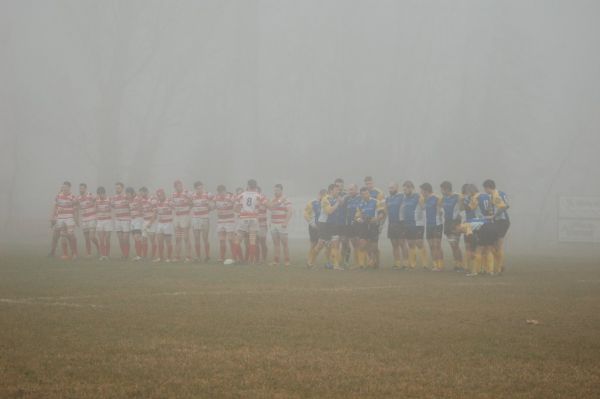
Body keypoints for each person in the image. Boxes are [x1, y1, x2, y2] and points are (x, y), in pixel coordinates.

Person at [308, 184, 344, 270]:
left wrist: (340, 202)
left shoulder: (336, 199)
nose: (338, 191)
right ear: (331, 190)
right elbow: (329, 211)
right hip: (324, 225)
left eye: (338, 190)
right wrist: (338, 203)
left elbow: (340, 207)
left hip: (333, 224)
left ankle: (336, 265)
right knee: (320, 245)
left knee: (335, 244)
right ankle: (310, 262)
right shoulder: (325, 199)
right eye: (336, 190)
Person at [235, 179, 267, 264]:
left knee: (237, 240)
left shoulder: (241, 195)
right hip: (253, 218)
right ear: (256, 186)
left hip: (243, 219)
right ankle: (251, 261)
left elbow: (236, 208)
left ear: (248, 185)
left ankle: (240, 260)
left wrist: (241, 211)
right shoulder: (258, 195)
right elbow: (267, 205)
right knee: (252, 240)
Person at [483, 179, 510, 274]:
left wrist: (494, 216)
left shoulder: (495, 194)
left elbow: (504, 207)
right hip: (499, 221)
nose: (485, 191)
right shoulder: (499, 193)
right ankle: (500, 265)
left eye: (485, 189)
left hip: (501, 221)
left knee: (498, 244)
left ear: (488, 187)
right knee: (494, 244)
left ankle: (499, 267)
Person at [354, 187, 385, 268]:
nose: (365, 195)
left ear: (369, 193)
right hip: (364, 226)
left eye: (367, 193)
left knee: (374, 246)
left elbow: (381, 213)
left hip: (373, 226)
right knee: (363, 244)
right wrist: (359, 219)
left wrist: (377, 219)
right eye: (363, 194)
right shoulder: (360, 204)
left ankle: (376, 262)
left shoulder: (376, 202)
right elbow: (357, 216)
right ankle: (362, 264)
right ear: (361, 195)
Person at [402, 181, 428, 269]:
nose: (404, 191)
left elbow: (424, 207)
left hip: (417, 223)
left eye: (405, 189)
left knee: (419, 242)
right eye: (403, 190)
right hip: (408, 224)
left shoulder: (418, 196)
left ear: (411, 188)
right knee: (410, 243)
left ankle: (425, 264)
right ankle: (412, 264)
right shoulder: (404, 198)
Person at [50, 181, 78, 260]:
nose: (64, 188)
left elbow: (75, 209)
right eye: (63, 187)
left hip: (69, 218)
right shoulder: (58, 196)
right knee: (62, 235)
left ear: (69, 187)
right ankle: (65, 254)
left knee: (70, 235)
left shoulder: (73, 197)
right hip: (60, 218)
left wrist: (76, 219)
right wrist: (53, 217)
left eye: (65, 187)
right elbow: (55, 207)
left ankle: (74, 253)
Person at [440, 181, 464, 271]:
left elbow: (462, 208)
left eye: (442, 189)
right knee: (452, 244)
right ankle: (456, 264)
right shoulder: (443, 198)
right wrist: (440, 211)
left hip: (455, 222)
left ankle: (461, 265)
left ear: (447, 189)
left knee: (455, 244)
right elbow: (440, 207)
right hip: (447, 222)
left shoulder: (457, 196)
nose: (441, 191)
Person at [420, 183, 444, 271]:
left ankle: (440, 265)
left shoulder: (436, 198)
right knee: (431, 246)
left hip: (437, 224)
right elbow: (423, 209)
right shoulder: (424, 199)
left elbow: (440, 209)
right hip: (429, 225)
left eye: (422, 191)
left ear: (426, 190)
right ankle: (434, 264)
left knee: (437, 245)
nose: (421, 192)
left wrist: (440, 213)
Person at [268, 184, 293, 266]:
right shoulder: (272, 200)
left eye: (277, 190)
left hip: (281, 224)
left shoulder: (286, 200)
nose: (275, 192)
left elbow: (289, 212)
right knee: (276, 244)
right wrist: (270, 222)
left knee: (284, 243)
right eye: (275, 190)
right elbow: (270, 208)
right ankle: (276, 261)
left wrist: (285, 222)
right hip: (273, 224)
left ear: (281, 190)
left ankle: (287, 261)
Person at [214, 185, 240, 262]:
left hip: (230, 221)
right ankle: (222, 257)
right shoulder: (216, 198)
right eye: (219, 192)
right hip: (220, 221)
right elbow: (213, 205)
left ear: (225, 191)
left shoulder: (230, 197)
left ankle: (234, 257)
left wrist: (236, 208)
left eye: (222, 192)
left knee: (230, 239)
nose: (221, 194)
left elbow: (237, 204)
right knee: (221, 240)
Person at [386, 182, 408, 269]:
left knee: (402, 243)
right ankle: (397, 263)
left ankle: (406, 263)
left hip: (400, 223)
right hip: (391, 223)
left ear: (397, 188)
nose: (390, 190)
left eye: (392, 188)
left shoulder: (402, 196)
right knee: (394, 244)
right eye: (389, 188)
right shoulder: (388, 198)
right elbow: (386, 209)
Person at [190, 181, 214, 262]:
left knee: (205, 238)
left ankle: (207, 256)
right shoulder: (192, 196)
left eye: (201, 188)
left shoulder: (207, 194)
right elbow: (190, 205)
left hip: (205, 218)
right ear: (195, 189)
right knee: (196, 238)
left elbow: (212, 206)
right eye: (198, 188)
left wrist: (209, 206)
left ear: (202, 187)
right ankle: (198, 256)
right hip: (195, 218)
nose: (200, 190)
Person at [171, 180, 192, 262]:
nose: (179, 187)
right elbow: (173, 205)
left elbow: (192, 202)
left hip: (185, 216)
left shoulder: (187, 192)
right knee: (177, 238)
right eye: (177, 186)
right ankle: (177, 256)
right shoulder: (173, 194)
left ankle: (188, 256)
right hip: (177, 217)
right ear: (175, 187)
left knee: (186, 237)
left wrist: (187, 210)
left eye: (180, 185)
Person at [304, 189, 326, 266]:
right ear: (319, 194)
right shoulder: (312, 202)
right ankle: (310, 261)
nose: (323, 196)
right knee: (313, 243)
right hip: (313, 226)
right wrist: (311, 223)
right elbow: (306, 213)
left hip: (323, 227)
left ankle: (311, 260)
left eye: (324, 195)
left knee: (321, 244)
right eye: (321, 194)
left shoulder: (326, 203)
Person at [152, 188, 174, 263]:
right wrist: (150, 223)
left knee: (168, 241)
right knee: (159, 241)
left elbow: (175, 208)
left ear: (164, 194)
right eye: (158, 195)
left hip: (168, 223)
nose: (160, 196)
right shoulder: (157, 203)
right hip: (160, 223)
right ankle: (160, 257)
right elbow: (155, 213)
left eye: (161, 195)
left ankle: (169, 257)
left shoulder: (169, 201)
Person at [77, 183, 99, 258]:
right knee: (86, 238)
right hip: (84, 219)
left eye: (82, 188)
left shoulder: (90, 195)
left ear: (85, 189)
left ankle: (98, 247)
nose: (81, 190)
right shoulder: (79, 198)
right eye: (80, 188)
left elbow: (98, 199)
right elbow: (77, 206)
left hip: (92, 218)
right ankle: (88, 253)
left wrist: (96, 208)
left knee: (92, 237)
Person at [111, 182, 131, 260]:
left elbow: (131, 205)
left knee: (125, 238)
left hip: (126, 220)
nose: (117, 189)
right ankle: (123, 254)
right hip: (118, 220)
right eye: (116, 188)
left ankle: (126, 253)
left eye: (118, 188)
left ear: (122, 188)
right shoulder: (114, 198)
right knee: (120, 238)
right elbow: (112, 206)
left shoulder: (126, 196)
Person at [343, 184, 362, 267]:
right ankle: (357, 263)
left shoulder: (360, 198)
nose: (350, 191)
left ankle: (361, 262)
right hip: (349, 224)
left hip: (358, 224)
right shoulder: (347, 199)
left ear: (356, 190)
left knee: (359, 244)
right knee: (353, 244)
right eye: (349, 190)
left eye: (352, 189)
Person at [95, 186, 113, 261]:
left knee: (107, 239)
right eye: (99, 194)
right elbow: (96, 210)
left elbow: (113, 208)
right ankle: (102, 255)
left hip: (108, 221)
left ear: (104, 193)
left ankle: (107, 254)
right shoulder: (97, 201)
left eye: (101, 194)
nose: (100, 196)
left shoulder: (109, 200)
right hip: (100, 221)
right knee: (101, 239)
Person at [126, 187, 144, 261]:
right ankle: (138, 255)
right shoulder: (129, 200)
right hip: (133, 220)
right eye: (126, 194)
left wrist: (136, 215)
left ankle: (139, 256)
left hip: (138, 220)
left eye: (128, 194)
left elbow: (141, 209)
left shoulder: (138, 199)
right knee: (135, 238)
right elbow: (130, 210)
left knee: (137, 238)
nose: (127, 195)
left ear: (132, 193)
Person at [139, 187, 155, 260]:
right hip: (144, 221)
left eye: (142, 192)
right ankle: (144, 256)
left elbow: (155, 212)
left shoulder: (151, 199)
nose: (141, 194)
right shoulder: (141, 200)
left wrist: (151, 222)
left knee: (152, 239)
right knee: (144, 239)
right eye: (140, 192)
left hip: (151, 221)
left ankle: (153, 256)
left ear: (146, 192)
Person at [256, 186, 269, 264]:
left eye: (257, 192)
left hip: (263, 224)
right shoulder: (252, 200)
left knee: (262, 242)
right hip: (254, 224)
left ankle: (264, 258)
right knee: (255, 241)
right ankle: (257, 259)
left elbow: (270, 207)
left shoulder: (264, 199)